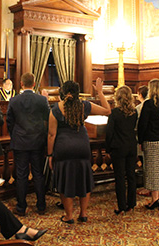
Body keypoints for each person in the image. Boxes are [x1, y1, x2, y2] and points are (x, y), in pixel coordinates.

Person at [47, 78, 111, 224]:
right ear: (78, 93)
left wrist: (49, 154)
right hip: (82, 147)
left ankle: (69, 216)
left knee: (65, 181)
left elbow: (51, 135)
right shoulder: (85, 106)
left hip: (63, 148)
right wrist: (100, 92)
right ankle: (83, 214)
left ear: (62, 93)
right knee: (83, 179)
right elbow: (107, 110)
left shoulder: (56, 109)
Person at [7, 72, 50, 216]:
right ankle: (41, 206)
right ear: (34, 84)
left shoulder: (14, 101)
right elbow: (48, 119)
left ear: (21, 84)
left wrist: (16, 135)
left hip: (20, 142)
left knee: (21, 175)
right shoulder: (41, 100)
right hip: (38, 141)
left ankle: (21, 207)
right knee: (38, 174)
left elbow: (9, 122)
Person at [137, 79, 159, 210]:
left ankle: (154, 199)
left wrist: (140, 140)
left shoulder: (149, 104)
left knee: (152, 170)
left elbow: (143, 124)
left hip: (152, 140)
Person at [106, 85, 138, 214]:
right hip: (131, 146)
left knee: (119, 177)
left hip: (118, 147)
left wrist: (108, 149)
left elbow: (109, 133)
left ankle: (122, 205)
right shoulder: (134, 112)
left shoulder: (114, 113)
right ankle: (132, 203)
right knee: (131, 175)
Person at [135, 85, 150, 197]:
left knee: (146, 164)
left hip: (143, 139)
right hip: (151, 137)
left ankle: (147, 186)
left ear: (140, 95)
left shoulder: (140, 107)